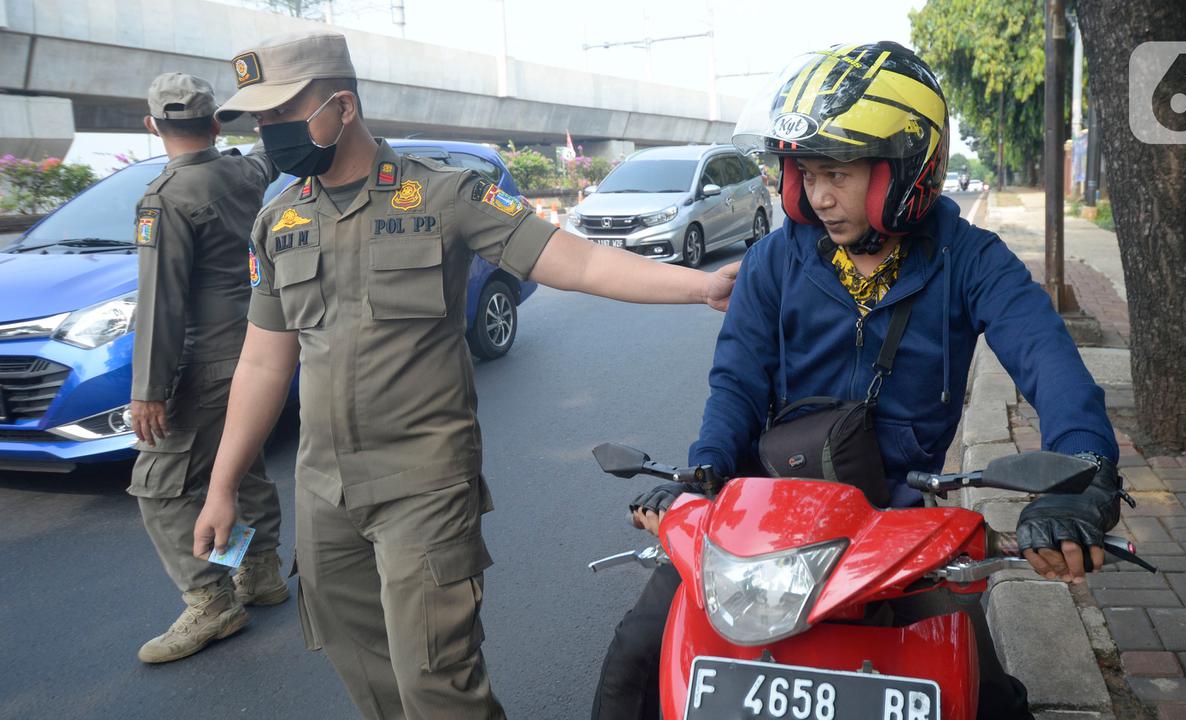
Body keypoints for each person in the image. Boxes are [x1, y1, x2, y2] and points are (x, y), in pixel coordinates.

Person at [190, 30, 738, 720]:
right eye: (261, 120)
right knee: (364, 666)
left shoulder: (442, 195)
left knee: (436, 683)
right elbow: (265, 359)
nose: (270, 132)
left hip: (423, 483)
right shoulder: (279, 219)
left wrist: (698, 287)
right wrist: (221, 487)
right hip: (324, 492)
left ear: (342, 106)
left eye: (282, 113)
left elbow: (579, 261)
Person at [594, 41, 1126, 720]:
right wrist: (702, 478)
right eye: (805, 173)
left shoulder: (972, 261)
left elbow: (1051, 363)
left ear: (906, 170)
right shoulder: (772, 261)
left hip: (898, 530)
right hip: (762, 521)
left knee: (983, 697)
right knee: (637, 654)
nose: (818, 195)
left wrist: (1084, 473)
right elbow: (735, 384)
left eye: (839, 173)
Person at [128, 72, 287, 664]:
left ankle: (211, 598)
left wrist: (149, 390)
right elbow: (269, 159)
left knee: (161, 487)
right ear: (215, 122)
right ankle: (262, 571)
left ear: (152, 126)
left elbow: (161, 302)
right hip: (258, 347)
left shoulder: (165, 198)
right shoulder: (242, 173)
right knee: (241, 467)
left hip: (204, 361)